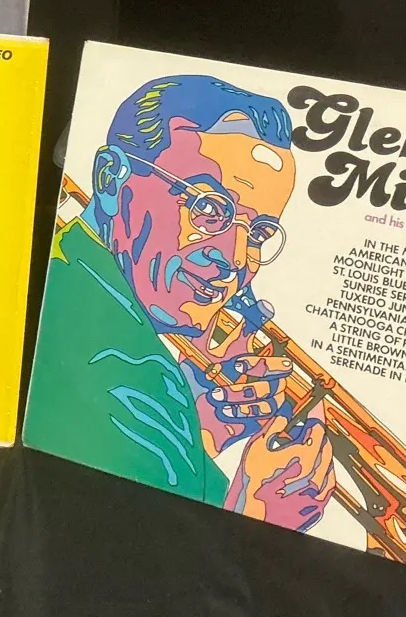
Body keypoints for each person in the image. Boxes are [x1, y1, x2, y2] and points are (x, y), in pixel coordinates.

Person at [23, 75, 335, 532]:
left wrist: (193, 426)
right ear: (111, 180)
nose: (234, 258)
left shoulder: (70, 273)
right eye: (209, 208)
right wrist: (257, 519)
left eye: (259, 232)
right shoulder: (120, 369)